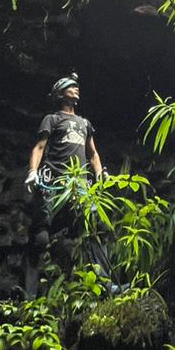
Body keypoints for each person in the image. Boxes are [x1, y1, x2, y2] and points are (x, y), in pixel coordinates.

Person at [23, 73, 103, 297]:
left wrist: (99, 174)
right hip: (53, 180)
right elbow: (39, 147)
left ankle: (103, 285)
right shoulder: (52, 119)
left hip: (79, 184)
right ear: (60, 92)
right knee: (40, 238)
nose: (76, 88)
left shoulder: (85, 123)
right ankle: (29, 295)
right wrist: (32, 172)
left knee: (93, 231)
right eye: (71, 86)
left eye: (77, 86)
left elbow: (92, 153)